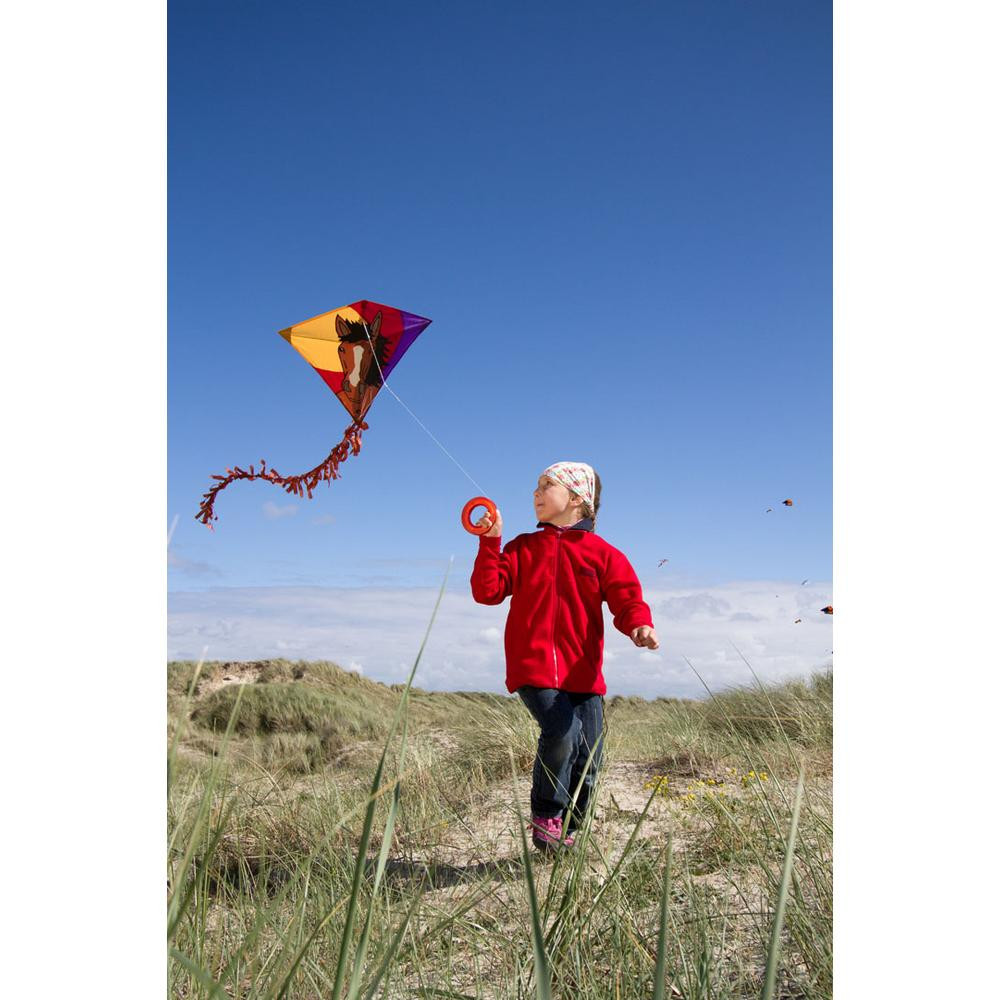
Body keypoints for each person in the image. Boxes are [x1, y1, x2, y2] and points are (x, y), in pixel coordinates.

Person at [470, 461, 659, 852]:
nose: (536, 493)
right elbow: (487, 592)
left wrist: (639, 624)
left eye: (547, 485)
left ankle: (571, 829)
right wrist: (491, 542)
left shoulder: (604, 554)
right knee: (562, 732)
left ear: (576, 499)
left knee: (590, 755)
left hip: (583, 674)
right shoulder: (522, 548)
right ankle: (546, 815)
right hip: (532, 667)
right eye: (536, 486)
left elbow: (627, 598)